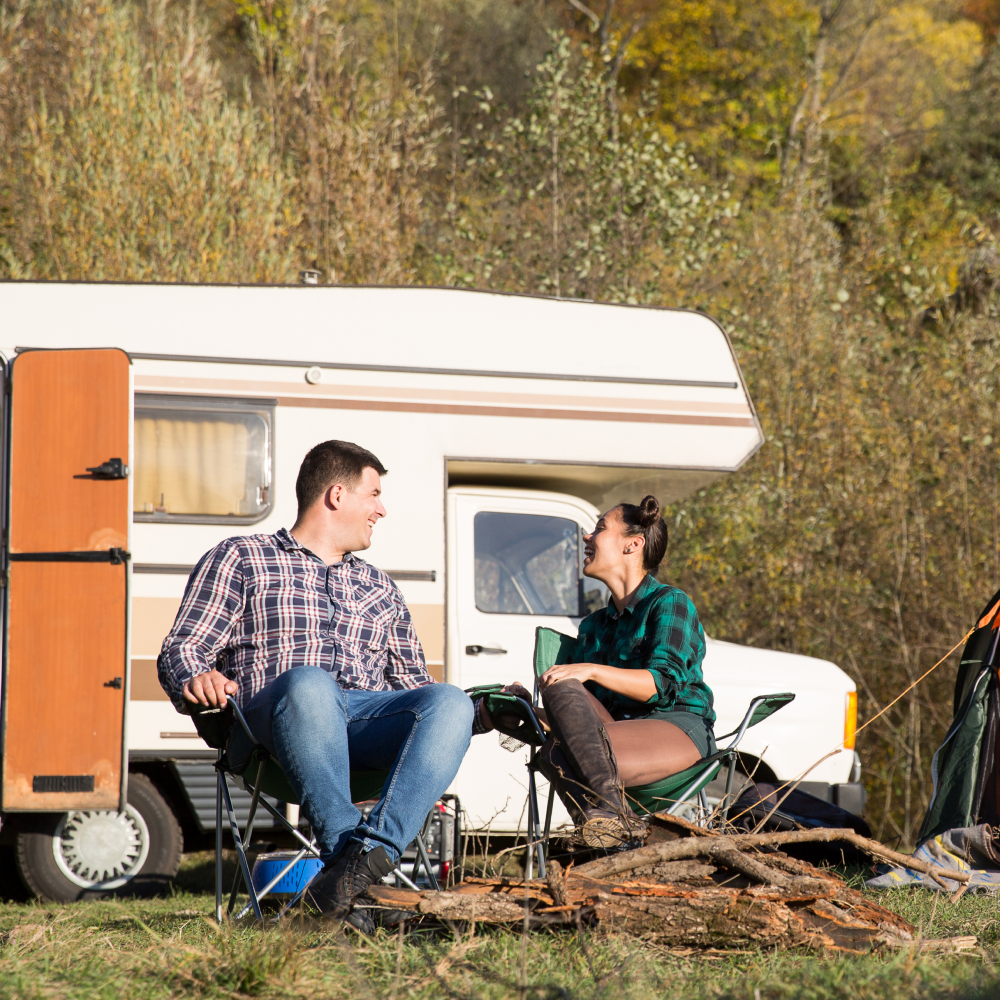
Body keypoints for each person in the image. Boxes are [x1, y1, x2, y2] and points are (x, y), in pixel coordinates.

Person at [158, 440, 474, 930]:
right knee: (309, 684)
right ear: (337, 494)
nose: (382, 509)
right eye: (374, 494)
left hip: (363, 731)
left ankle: (356, 868)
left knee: (450, 701)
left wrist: (477, 711)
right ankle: (355, 872)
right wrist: (195, 676)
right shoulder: (243, 558)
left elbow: (414, 689)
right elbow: (181, 648)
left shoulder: (381, 588)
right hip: (271, 732)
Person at [479, 495, 715, 848]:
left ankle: (610, 826)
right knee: (559, 695)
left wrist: (590, 669)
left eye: (599, 529)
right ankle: (615, 822)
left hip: (673, 726)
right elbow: (580, 723)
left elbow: (659, 685)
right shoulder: (594, 625)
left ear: (632, 545)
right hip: (613, 736)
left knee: (560, 749)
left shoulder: (668, 603)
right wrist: (523, 710)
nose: (587, 538)